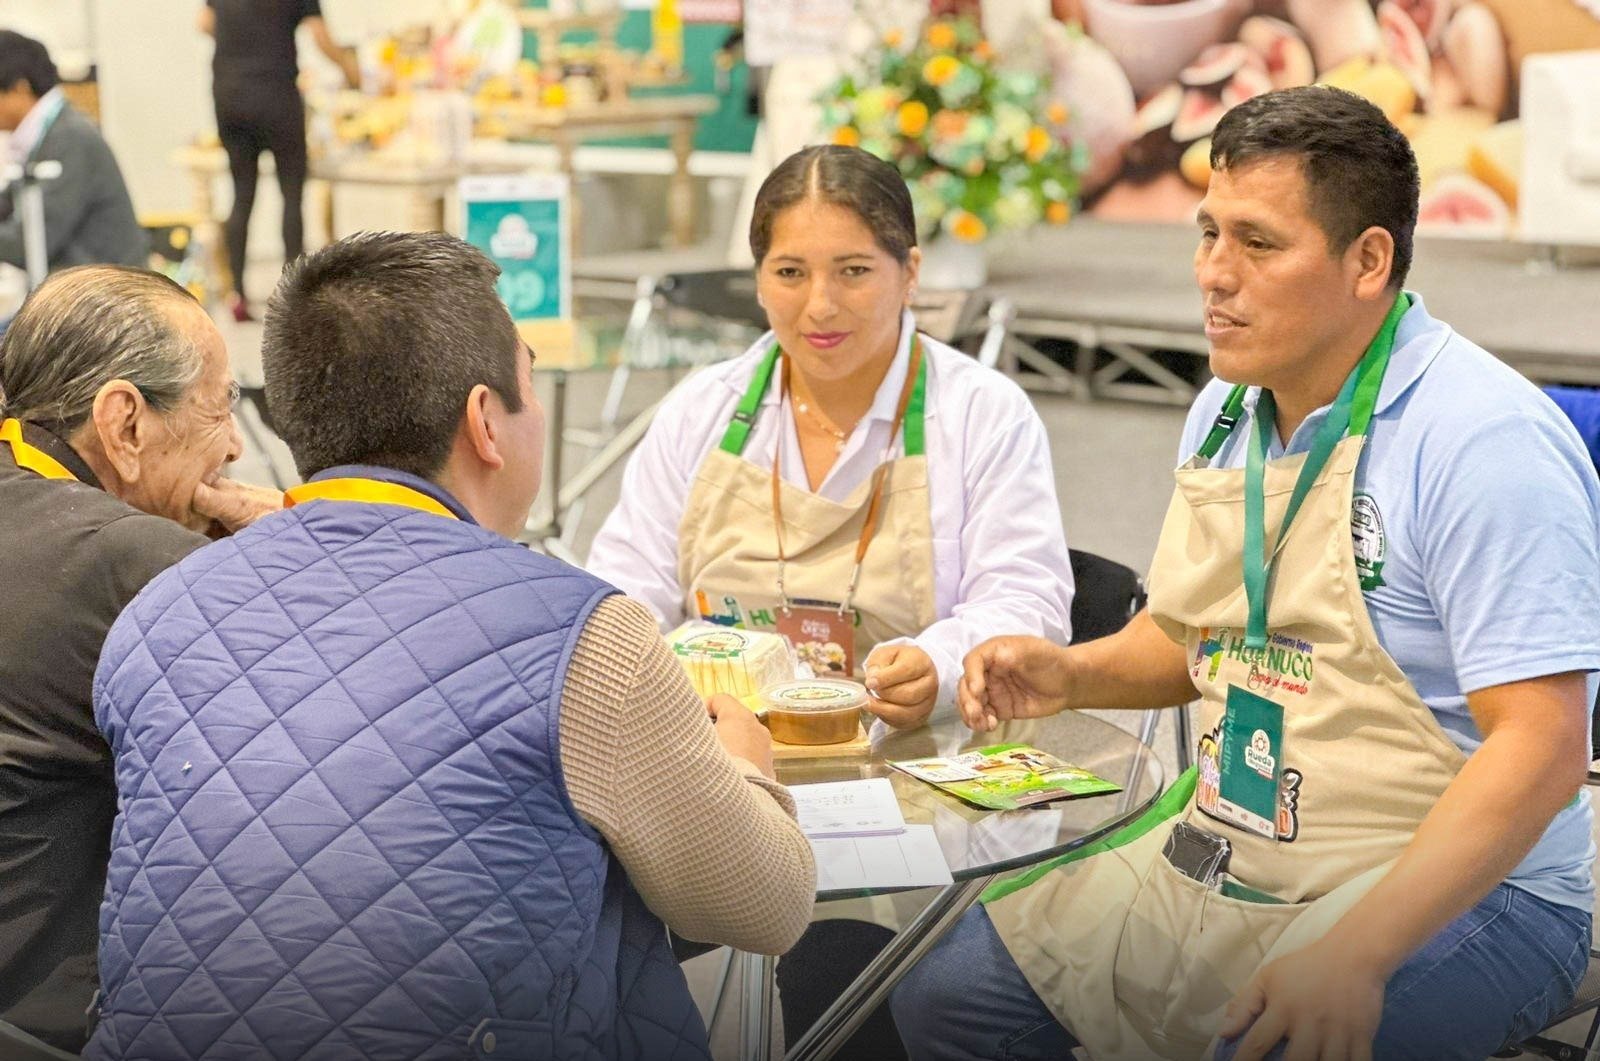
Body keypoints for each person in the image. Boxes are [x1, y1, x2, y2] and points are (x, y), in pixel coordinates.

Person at [892, 85, 1600, 1061]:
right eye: (1207, 233)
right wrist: (1072, 670)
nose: (1213, 275)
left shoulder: (1482, 441)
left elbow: (1543, 748)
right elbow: (1193, 640)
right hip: (1239, 837)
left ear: (1367, 261)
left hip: (1467, 880)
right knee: (947, 997)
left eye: (1257, 244)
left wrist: (1355, 951)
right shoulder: (1225, 412)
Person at [88, 231, 817, 1061]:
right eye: (530, 388)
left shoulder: (154, 617)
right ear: (485, 422)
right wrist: (747, 765)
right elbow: (765, 907)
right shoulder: (584, 636)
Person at [587, 144, 1073, 730]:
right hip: (723, 757)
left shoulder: (983, 414)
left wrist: (938, 666)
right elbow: (623, 591)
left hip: (920, 757)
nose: (820, 306)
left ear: (911, 274)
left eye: (854, 272)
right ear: (760, 282)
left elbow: (1026, 602)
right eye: (790, 273)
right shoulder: (702, 409)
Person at [0, 266, 277, 1054]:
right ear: (124, 422)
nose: (233, 443)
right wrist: (293, 529)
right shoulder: (133, 560)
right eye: (220, 406)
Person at [199, 0, 357, 321]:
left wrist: (241, 38)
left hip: (230, 95)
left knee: (242, 194)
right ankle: (292, 294)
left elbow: (204, 22)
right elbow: (319, 35)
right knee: (291, 195)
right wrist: (350, 69)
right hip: (277, 97)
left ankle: (238, 296)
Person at [0, 31, 145, 274]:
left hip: (103, 301)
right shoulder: (49, 131)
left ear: (19, 88)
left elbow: (29, 242)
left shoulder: (69, 138)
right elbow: (7, 202)